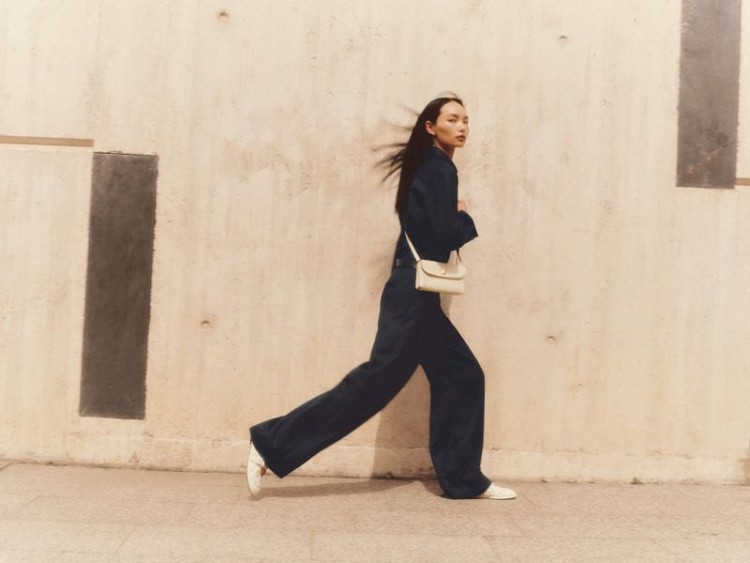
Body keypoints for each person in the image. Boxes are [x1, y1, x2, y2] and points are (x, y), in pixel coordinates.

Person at [246, 95, 516, 500]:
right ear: (431, 127)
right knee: (373, 385)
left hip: (413, 294)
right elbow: (443, 237)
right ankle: (271, 444)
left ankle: (462, 480)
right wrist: (464, 218)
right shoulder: (440, 168)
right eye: (452, 119)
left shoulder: (425, 166)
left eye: (466, 120)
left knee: (462, 377)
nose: (462, 127)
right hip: (414, 298)